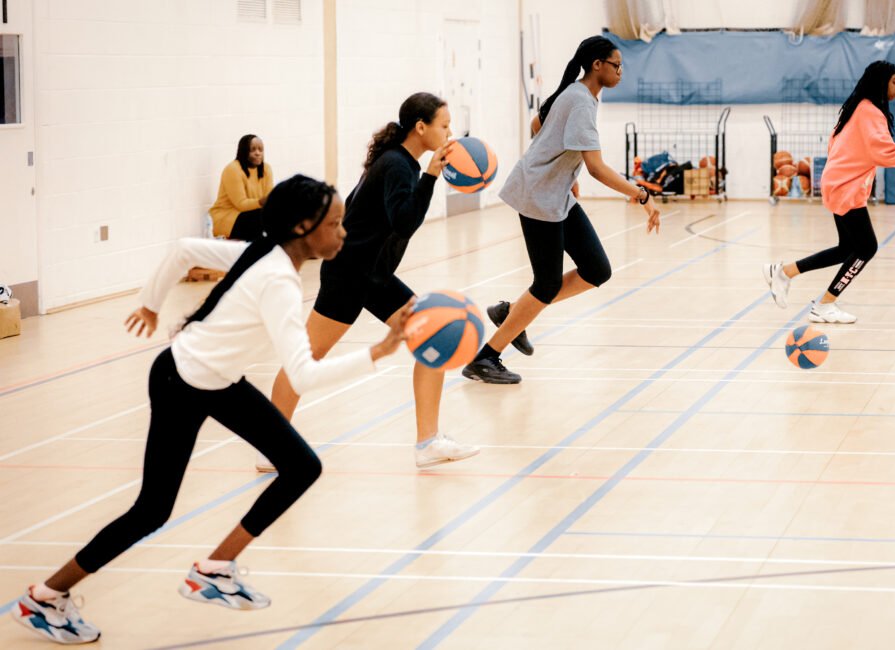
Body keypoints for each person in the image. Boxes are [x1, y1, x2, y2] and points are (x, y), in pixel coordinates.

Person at [10, 175, 410, 645]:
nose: (343, 232)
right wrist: (379, 351)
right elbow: (302, 375)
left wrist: (151, 305)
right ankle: (45, 596)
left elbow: (183, 249)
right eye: (336, 223)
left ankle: (215, 568)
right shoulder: (277, 278)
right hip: (181, 381)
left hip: (216, 380)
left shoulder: (262, 252)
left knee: (302, 466)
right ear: (303, 226)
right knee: (151, 511)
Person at [264, 92, 478, 472]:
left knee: (434, 335)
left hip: (373, 274)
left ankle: (428, 442)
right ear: (421, 127)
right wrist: (430, 176)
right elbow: (405, 221)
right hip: (349, 274)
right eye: (444, 126)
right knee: (306, 359)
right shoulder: (399, 165)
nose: (449, 133)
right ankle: (273, 447)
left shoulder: (401, 162)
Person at [462, 36, 660, 384]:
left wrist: (565, 173)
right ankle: (485, 358)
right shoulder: (580, 101)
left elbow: (537, 126)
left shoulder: (577, 95)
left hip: (555, 195)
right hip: (538, 195)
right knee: (547, 283)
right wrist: (641, 195)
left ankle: (512, 313)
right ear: (597, 65)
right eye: (617, 65)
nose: (621, 72)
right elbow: (597, 168)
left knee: (596, 269)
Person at [762, 60, 895, 324]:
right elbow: (886, 154)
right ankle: (825, 304)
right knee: (867, 248)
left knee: (847, 249)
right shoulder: (870, 112)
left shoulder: (857, 108)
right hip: (845, 186)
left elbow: (838, 144)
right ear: (880, 82)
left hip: (839, 183)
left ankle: (783, 272)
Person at [209, 134, 274, 240]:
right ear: (244, 151)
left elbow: (270, 199)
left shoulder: (266, 169)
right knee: (261, 217)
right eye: (253, 150)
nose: (258, 153)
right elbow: (241, 204)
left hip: (251, 215)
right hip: (227, 218)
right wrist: (261, 202)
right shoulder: (233, 169)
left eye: (260, 150)